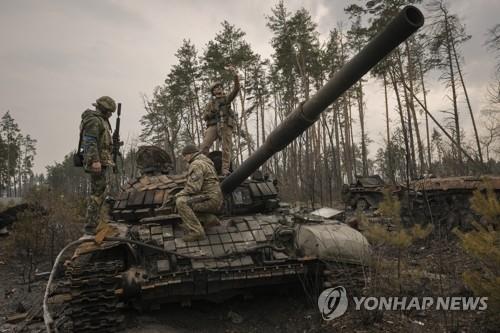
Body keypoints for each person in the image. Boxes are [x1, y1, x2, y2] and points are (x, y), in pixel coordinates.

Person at [80, 96, 116, 235]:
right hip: (97, 162)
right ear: (104, 109)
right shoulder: (94, 120)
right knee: (97, 193)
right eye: (109, 112)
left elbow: (102, 141)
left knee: (101, 192)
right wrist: (95, 160)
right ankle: (91, 226)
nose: (111, 115)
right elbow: (90, 141)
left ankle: (96, 222)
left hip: (102, 160)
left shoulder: (101, 120)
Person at [175, 144, 223, 241]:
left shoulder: (196, 164)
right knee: (189, 204)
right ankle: (209, 219)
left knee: (181, 202)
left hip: (208, 199)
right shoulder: (207, 162)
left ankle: (197, 232)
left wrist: (178, 194)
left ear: (190, 154)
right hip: (215, 199)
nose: (184, 159)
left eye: (184, 156)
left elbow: (193, 188)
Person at [200, 65, 240, 176]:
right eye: (215, 88)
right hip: (213, 125)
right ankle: (204, 169)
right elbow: (205, 117)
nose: (218, 89)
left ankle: (225, 169)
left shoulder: (226, 99)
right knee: (204, 147)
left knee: (226, 148)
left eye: (219, 87)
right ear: (213, 92)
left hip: (225, 124)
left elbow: (236, 89)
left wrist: (235, 74)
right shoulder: (211, 104)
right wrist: (212, 112)